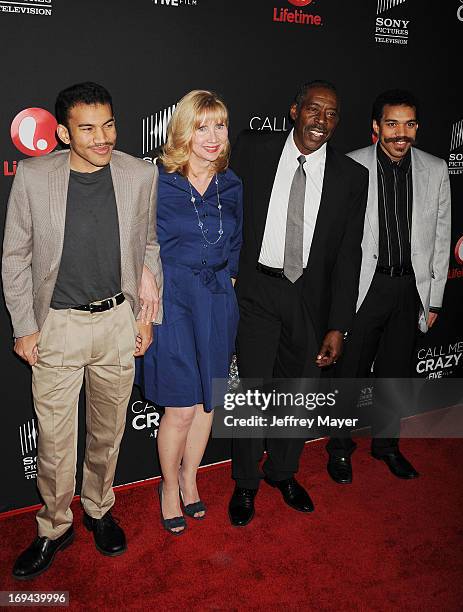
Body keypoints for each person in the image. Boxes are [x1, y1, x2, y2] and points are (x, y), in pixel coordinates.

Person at [2, 82, 162, 579]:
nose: (102, 138)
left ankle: (98, 509)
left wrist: (144, 315)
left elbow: (149, 248)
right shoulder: (32, 176)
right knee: (53, 441)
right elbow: (15, 258)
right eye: (88, 129)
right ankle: (54, 526)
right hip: (58, 328)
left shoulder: (139, 174)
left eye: (108, 124)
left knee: (108, 433)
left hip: (116, 322)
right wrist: (25, 327)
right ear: (64, 134)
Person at [228, 80, 369, 526]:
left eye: (331, 114)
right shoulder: (253, 149)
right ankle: (246, 482)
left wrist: (339, 325)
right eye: (313, 110)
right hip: (257, 290)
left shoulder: (352, 177)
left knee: (298, 394)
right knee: (253, 390)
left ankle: (283, 473)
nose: (321, 121)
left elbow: (349, 256)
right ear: (294, 110)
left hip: (312, 300)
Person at [326, 89, 451, 484]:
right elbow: (336, 242)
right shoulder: (351, 166)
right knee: (351, 374)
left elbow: (442, 238)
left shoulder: (436, 169)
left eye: (409, 124)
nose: (402, 133)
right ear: (376, 126)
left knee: (396, 375)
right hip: (365, 290)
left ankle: (387, 447)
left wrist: (433, 297)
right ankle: (340, 450)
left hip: (408, 291)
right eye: (393, 124)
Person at [136, 90, 242, 534]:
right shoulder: (156, 180)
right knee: (180, 406)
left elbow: (235, 247)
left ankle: (190, 479)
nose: (212, 136)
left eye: (219, 125)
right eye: (201, 126)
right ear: (183, 130)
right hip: (172, 299)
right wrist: (144, 280)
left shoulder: (232, 183)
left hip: (218, 300)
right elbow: (135, 240)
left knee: (206, 404)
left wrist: (229, 287)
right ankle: (167, 487)